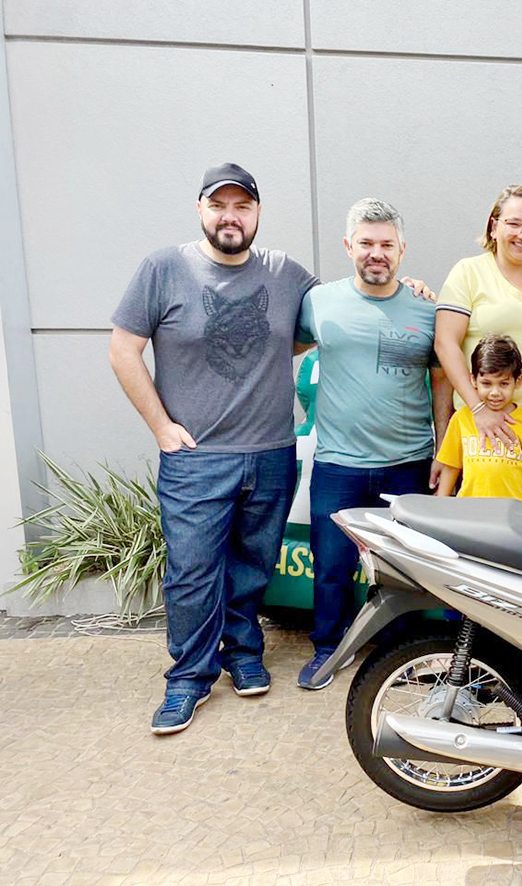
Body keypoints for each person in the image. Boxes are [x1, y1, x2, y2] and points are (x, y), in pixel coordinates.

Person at [110, 163, 317, 733]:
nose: (231, 216)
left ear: (257, 212)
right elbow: (123, 350)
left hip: (271, 452)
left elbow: (339, 312)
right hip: (195, 458)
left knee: (253, 565)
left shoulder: (285, 273)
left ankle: (243, 653)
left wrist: (412, 289)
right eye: (219, 205)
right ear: (200, 209)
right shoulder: (164, 269)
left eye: (242, 206)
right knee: (192, 571)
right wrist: (160, 426)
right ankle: (188, 678)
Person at [294, 198, 453, 690]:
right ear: (348, 246)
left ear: (403, 249)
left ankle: (401, 658)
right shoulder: (318, 302)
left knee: (403, 570)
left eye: (386, 244)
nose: (376, 253)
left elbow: (442, 382)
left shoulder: (427, 307)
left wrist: (443, 450)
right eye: (366, 243)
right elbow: (285, 348)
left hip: (408, 463)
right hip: (337, 464)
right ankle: (328, 649)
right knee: (332, 566)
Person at [435, 186, 522, 452]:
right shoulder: (468, 272)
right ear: (494, 227)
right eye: (514, 224)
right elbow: (445, 344)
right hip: (478, 420)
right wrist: (478, 408)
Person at [435, 334, 522, 508]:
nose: (495, 392)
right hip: (468, 512)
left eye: (503, 384)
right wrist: (440, 507)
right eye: (487, 383)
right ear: (473, 380)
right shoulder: (461, 419)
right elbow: (451, 467)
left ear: (518, 381)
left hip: (513, 515)